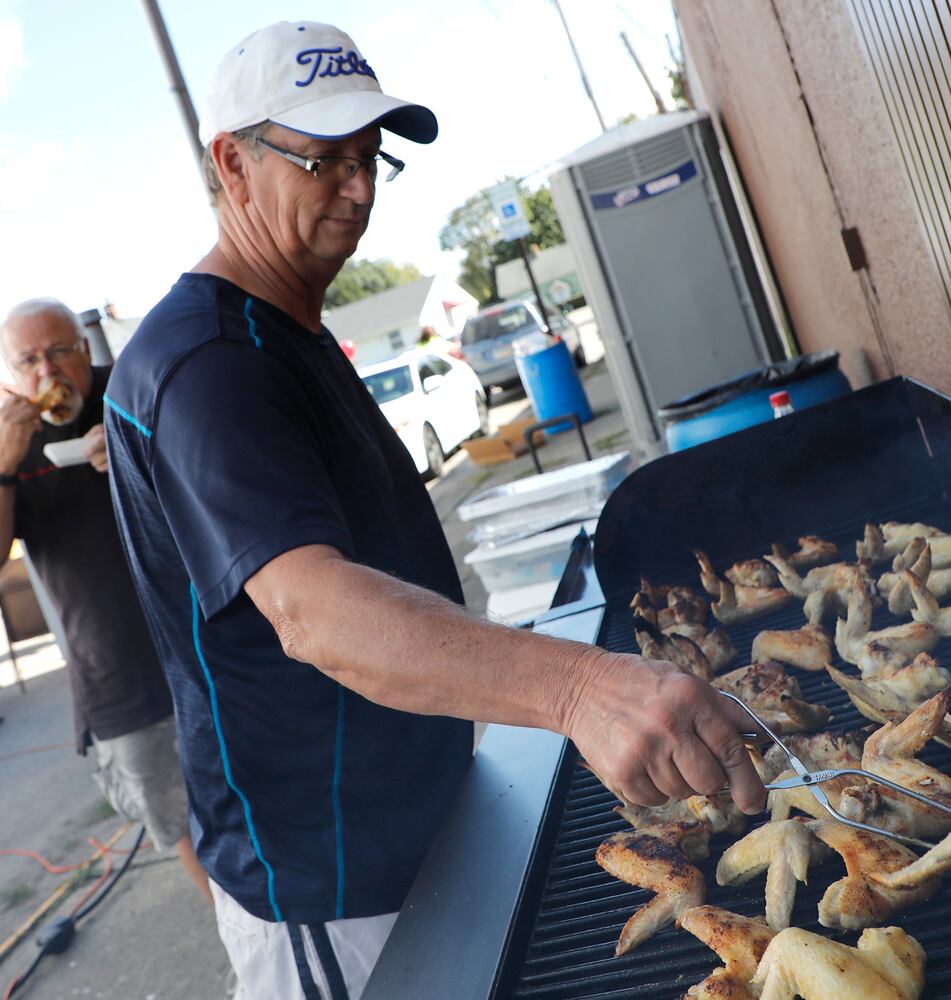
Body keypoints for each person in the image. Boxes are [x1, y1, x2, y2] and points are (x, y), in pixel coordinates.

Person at [103, 21, 764, 1000]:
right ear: (232, 163)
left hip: (415, 823)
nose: (360, 189)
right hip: (331, 885)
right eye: (323, 159)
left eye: (371, 158)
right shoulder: (207, 366)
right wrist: (583, 691)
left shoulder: (286, 332)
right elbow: (312, 611)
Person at [0, 298, 211, 903]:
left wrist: (133, 448)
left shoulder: (130, 390)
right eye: (29, 360)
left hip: (206, 645)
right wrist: (6, 464)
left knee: (265, 795)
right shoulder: (9, 439)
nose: (48, 372)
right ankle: (252, 952)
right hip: (117, 681)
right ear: (13, 372)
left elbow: (208, 478)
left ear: (84, 350)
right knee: (182, 831)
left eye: (60, 351)